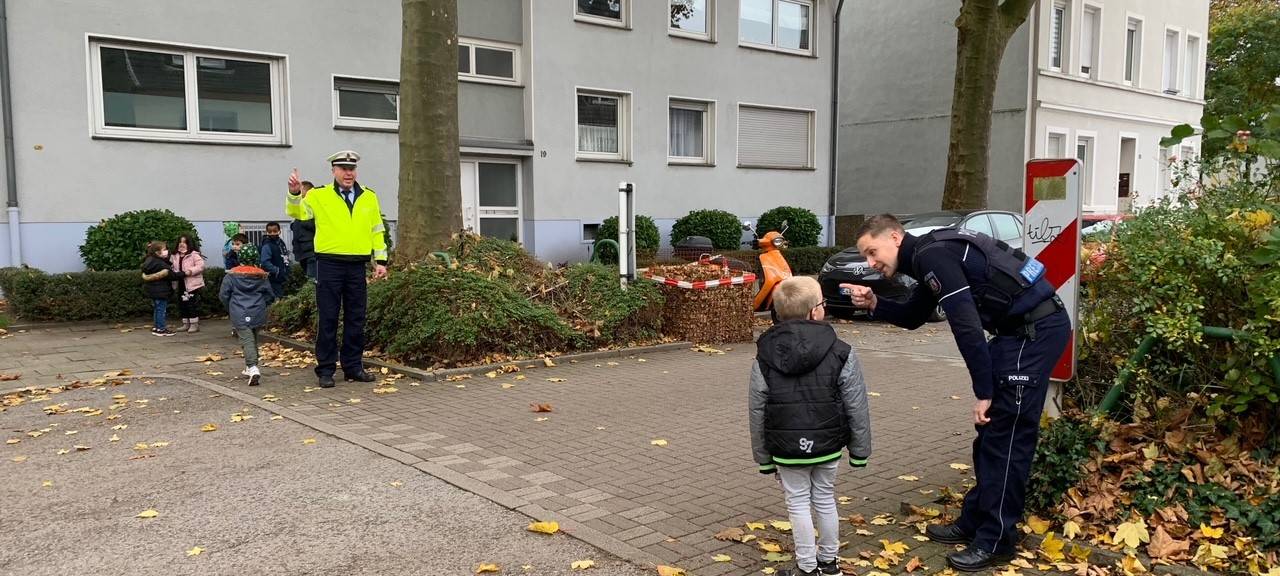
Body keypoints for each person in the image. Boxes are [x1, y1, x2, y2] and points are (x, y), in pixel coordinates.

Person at [843, 215, 1071, 572]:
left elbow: (965, 325)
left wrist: (984, 390)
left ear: (895, 236)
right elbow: (914, 316)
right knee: (991, 436)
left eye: (872, 252)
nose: (870, 263)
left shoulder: (934, 255)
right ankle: (975, 520)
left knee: (1006, 438)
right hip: (1016, 334)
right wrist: (874, 304)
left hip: (1034, 332)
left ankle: (996, 541)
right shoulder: (928, 255)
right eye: (866, 257)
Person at [749, 276, 872, 576]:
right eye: (822, 304)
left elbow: (756, 409)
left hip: (787, 449)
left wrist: (763, 458)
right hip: (828, 445)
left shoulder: (764, 355)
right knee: (825, 498)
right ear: (814, 312)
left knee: (798, 503)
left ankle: (806, 568)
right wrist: (859, 451)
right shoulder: (842, 351)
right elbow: (856, 403)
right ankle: (830, 565)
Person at [285, 150, 388, 388]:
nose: (348, 173)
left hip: (357, 266)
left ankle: (353, 367)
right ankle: (326, 370)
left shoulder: (369, 197)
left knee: (356, 318)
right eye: (343, 168)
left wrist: (380, 261)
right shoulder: (319, 195)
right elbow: (297, 213)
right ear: (334, 171)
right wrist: (293, 193)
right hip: (329, 264)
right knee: (329, 317)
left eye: (351, 169)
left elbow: (377, 230)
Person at [219, 264, 277, 386]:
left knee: (246, 340)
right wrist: (262, 304)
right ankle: (249, 366)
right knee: (253, 338)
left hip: (239, 311)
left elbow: (224, 295)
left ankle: (252, 367)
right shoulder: (261, 276)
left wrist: (230, 307)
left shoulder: (231, 276)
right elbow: (270, 295)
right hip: (257, 311)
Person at [141, 240, 184, 337]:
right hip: (161, 291)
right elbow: (172, 275)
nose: (167, 251)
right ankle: (161, 328)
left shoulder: (149, 260)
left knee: (157, 309)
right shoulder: (161, 264)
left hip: (152, 291)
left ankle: (156, 327)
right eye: (164, 249)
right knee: (161, 309)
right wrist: (184, 273)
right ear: (157, 252)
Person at [170, 234, 206, 333]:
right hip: (181, 282)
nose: (182, 244)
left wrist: (190, 271)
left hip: (191, 284)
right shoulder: (175, 255)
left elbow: (200, 266)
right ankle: (185, 323)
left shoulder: (194, 255)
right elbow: (172, 267)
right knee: (182, 303)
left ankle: (194, 324)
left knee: (191, 303)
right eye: (180, 242)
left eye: (184, 242)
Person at [290, 181, 318, 282]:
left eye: (299, 190)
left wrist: (304, 222)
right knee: (309, 279)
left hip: (311, 252)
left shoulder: (313, 207)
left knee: (312, 280)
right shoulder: (301, 208)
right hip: (302, 252)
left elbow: (316, 226)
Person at [258, 221, 290, 298]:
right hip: (273, 278)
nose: (272, 233)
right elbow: (265, 262)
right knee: (277, 299)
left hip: (282, 277)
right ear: (267, 232)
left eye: (275, 231)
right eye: (270, 231)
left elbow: (284, 256)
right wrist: (277, 270)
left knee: (282, 297)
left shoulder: (281, 242)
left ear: (279, 231)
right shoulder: (267, 245)